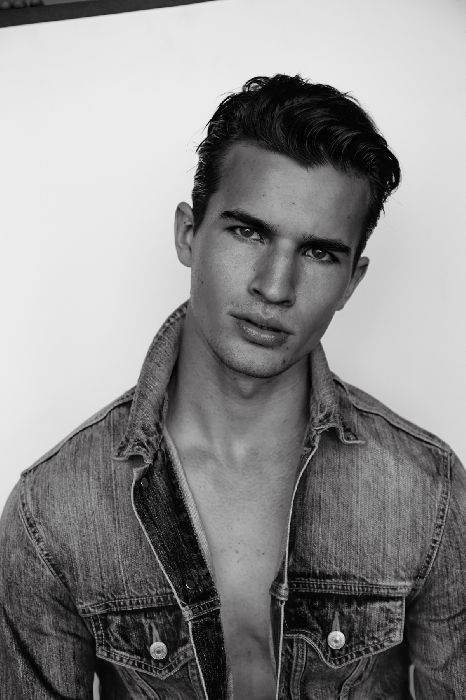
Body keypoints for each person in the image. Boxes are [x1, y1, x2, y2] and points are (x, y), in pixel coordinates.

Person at [0, 74, 464, 700]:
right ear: (188, 234)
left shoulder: (427, 491)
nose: (274, 286)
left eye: (319, 254)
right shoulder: (52, 510)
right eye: (248, 232)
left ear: (351, 282)